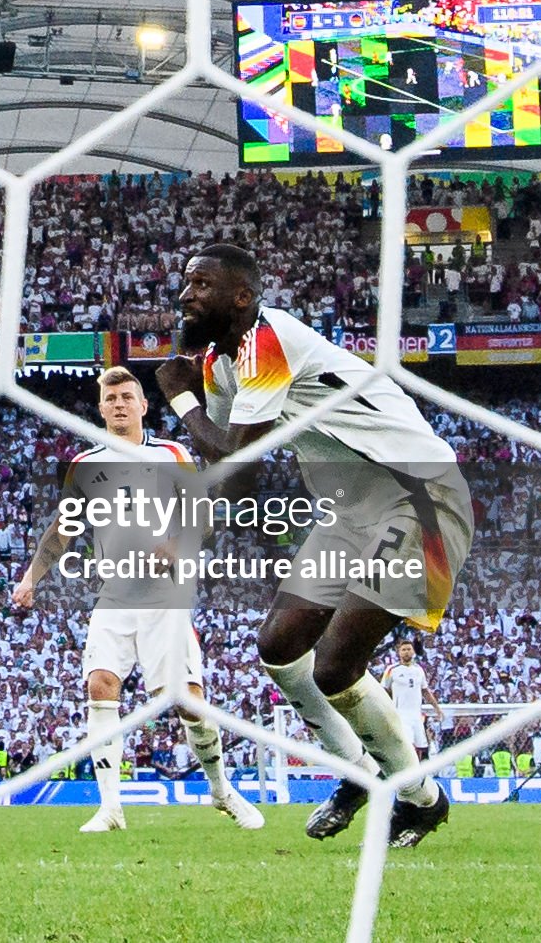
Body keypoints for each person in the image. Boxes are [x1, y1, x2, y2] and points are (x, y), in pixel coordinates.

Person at [155, 243, 473, 849]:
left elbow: (236, 454)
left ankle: (418, 798)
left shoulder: (267, 341)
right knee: (279, 645)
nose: (186, 294)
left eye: (200, 284)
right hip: (352, 511)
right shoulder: (224, 366)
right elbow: (238, 475)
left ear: (242, 297)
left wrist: (178, 397)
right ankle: (359, 772)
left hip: (419, 495)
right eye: (185, 282)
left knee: (333, 666)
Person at [11, 365, 265, 835]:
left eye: (128, 397)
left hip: (165, 596)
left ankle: (222, 790)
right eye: (111, 399)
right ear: (101, 408)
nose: (120, 404)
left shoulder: (171, 454)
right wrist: (31, 578)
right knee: (100, 685)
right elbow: (64, 528)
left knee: (186, 702)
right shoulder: (85, 465)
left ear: (144, 405)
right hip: (114, 596)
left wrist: (175, 545)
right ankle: (111, 809)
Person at [380, 640, 446, 763]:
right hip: (401, 715)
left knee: (421, 746)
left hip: (416, 715)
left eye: (409, 649)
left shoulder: (419, 670)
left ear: (413, 651)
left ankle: (418, 772)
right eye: (403, 650)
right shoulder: (392, 670)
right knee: (408, 745)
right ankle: (407, 770)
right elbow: (383, 690)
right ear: (399, 653)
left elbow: (425, 691)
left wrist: (437, 709)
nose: (406, 652)